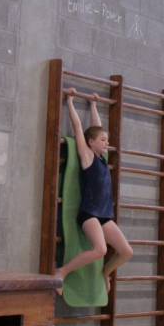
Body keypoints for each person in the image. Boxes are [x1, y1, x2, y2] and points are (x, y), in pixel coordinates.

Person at [55, 89, 133, 292]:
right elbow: (78, 127)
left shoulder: (101, 159)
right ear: (91, 142)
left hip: (104, 215)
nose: (107, 143)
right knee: (100, 250)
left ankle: (105, 273)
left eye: (107, 140)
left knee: (126, 252)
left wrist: (93, 104)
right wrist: (70, 101)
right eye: (103, 140)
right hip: (89, 214)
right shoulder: (87, 157)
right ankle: (62, 272)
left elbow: (97, 127)